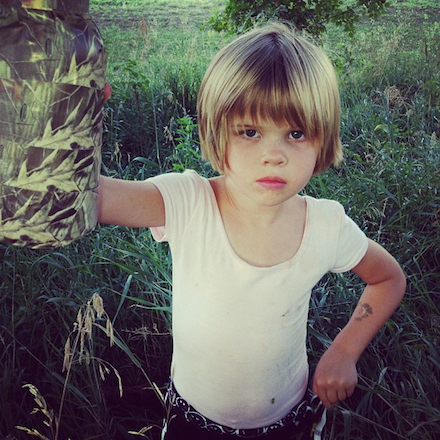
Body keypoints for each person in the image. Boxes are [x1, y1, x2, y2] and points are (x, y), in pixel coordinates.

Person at [98, 23, 406, 440]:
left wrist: (344, 351)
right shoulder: (188, 203)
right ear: (216, 130)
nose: (274, 156)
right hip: (193, 421)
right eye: (250, 132)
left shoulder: (326, 225)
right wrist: (73, 118)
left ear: (322, 140)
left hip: (289, 422)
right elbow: (92, 196)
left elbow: (388, 278)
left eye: (296, 133)